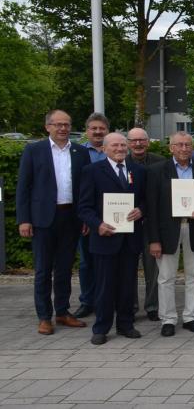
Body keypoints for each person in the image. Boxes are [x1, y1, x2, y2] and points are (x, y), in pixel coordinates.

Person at [16, 109, 90, 335]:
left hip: (71, 217)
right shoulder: (33, 150)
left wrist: (85, 216)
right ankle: (44, 316)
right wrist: (24, 219)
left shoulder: (80, 151)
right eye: (58, 124)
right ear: (47, 126)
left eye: (66, 124)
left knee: (65, 269)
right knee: (42, 270)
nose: (63, 128)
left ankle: (62, 311)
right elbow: (24, 188)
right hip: (43, 218)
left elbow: (85, 189)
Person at [77, 133, 146, 345]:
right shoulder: (92, 171)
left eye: (123, 145)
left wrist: (141, 211)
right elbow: (84, 207)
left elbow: (146, 200)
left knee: (127, 285)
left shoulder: (138, 171)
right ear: (105, 148)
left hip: (130, 239)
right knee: (105, 286)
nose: (120, 148)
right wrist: (98, 225)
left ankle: (125, 324)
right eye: (115, 145)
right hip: (105, 238)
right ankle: (101, 327)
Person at [145, 131, 194, 337]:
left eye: (188, 145)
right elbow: (152, 208)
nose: (184, 148)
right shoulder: (157, 171)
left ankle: (190, 317)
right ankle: (167, 319)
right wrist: (154, 240)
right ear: (171, 148)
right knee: (166, 277)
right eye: (179, 145)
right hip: (167, 231)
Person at [125, 127, 165, 321]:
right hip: (128, 222)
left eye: (142, 140)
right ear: (128, 143)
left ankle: (152, 307)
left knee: (153, 267)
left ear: (148, 142)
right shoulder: (120, 162)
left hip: (152, 221)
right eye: (134, 141)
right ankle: (130, 306)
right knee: (128, 267)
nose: (138, 144)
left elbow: (163, 193)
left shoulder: (160, 162)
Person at [76, 112, 109, 319]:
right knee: (86, 261)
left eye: (101, 128)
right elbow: (76, 188)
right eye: (93, 128)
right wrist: (85, 218)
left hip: (114, 216)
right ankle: (87, 301)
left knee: (110, 261)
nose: (97, 132)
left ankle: (107, 299)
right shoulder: (78, 153)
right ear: (87, 131)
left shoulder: (115, 149)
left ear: (107, 131)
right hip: (88, 218)